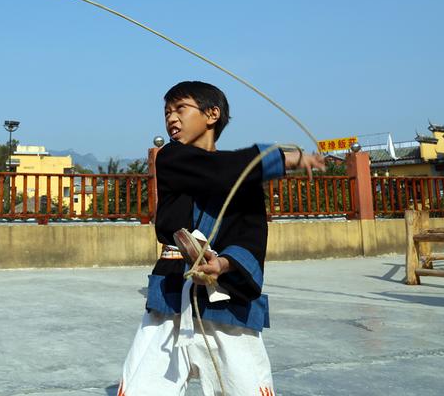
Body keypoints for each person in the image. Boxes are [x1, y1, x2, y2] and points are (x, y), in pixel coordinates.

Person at [118, 81, 324, 395]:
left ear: (211, 114)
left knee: (244, 387)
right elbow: (219, 173)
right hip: (172, 297)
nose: (171, 118)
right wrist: (284, 159)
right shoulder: (172, 158)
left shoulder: (245, 176)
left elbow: (251, 236)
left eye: (180, 109)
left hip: (226, 300)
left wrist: (224, 264)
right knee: (143, 388)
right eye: (167, 112)